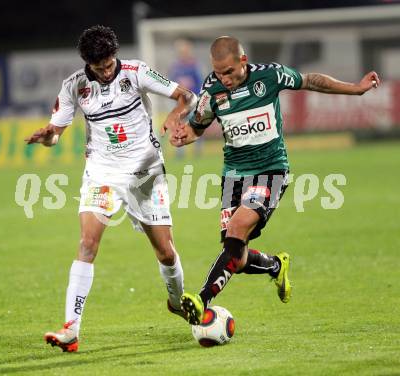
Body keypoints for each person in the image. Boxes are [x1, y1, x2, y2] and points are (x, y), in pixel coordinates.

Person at [166, 36, 380, 325]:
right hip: (234, 176)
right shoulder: (212, 89)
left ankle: (201, 300)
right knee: (237, 257)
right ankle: (276, 265)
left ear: (243, 61)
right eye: (218, 73)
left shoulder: (269, 76)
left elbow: (311, 80)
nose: (224, 78)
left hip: (271, 171)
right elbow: (197, 127)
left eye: (228, 72)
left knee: (238, 226)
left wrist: (355, 89)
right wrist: (183, 137)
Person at [25, 25, 197, 352]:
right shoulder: (74, 86)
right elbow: (56, 133)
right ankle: (71, 329)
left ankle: (176, 301)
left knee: (165, 251)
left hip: (144, 170)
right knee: (88, 243)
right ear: (87, 63)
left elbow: (186, 96)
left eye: (108, 64)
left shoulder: (136, 72)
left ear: (115, 55)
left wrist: (176, 114)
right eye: (98, 67)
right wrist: (47, 136)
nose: (105, 72)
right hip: (102, 171)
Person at [168, 39, 203, 159]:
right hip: (179, 103)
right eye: (181, 50)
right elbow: (171, 85)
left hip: (192, 102)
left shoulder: (194, 66)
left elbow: (199, 83)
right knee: (178, 127)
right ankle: (180, 153)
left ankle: (198, 152)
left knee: (196, 125)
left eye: (185, 50)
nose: (183, 52)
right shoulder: (175, 67)